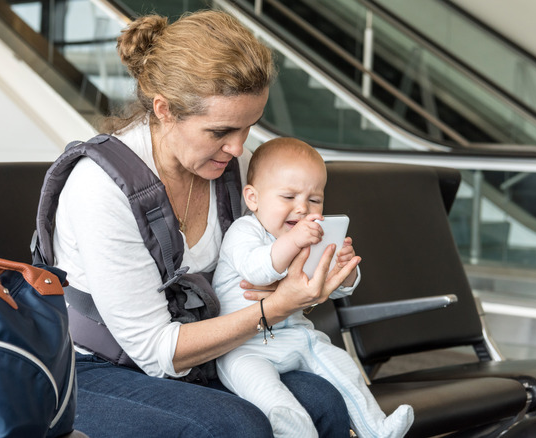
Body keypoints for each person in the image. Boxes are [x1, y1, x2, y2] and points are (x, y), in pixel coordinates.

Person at [49, 10, 360, 437]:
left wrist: (306, 279)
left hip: (211, 351)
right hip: (98, 369)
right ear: (165, 110)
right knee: (237, 427)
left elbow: (274, 273)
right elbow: (157, 352)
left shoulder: (237, 167)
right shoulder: (100, 189)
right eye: (220, 131)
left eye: (249, 126)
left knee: (324, 401)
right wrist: (276, 306)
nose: (237, 147)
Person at [213, 137, 414, 438]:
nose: (302, 209)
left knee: (342, 368)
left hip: (296, 335)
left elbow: (330, 289)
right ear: (253, 198)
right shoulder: (244, 232)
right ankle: (295, 429)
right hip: (243, 345)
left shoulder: (311, 235)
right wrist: (294, 242)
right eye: (288, 197)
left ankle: (376, 429)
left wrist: (344, 271)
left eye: (314, 200)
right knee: (267, 393)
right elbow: (258, 270)